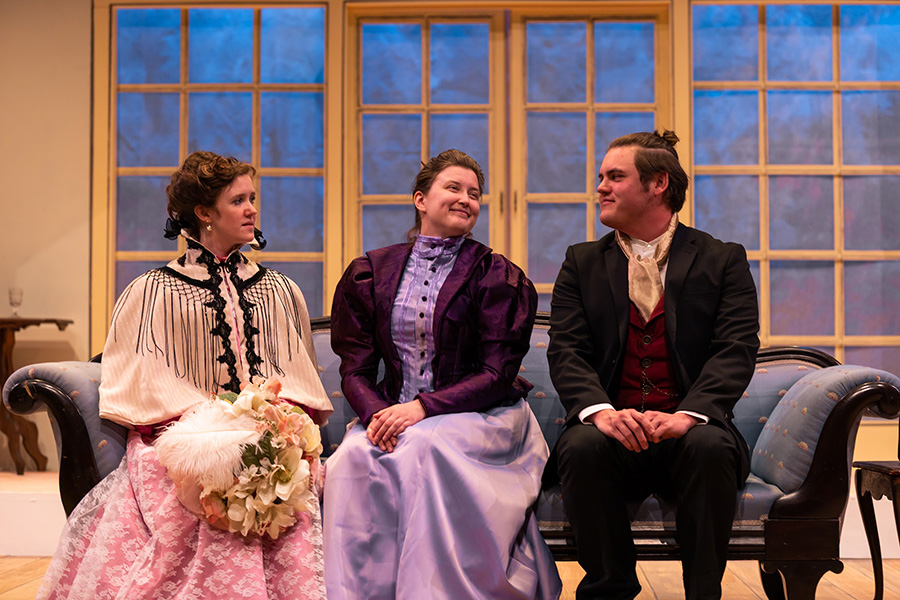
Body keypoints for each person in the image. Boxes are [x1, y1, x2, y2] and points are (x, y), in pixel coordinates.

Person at [39, 151, 333, 599]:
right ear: (203, 213)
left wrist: (271, 428)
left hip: (270, 438)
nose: (252, 209)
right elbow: (142, 393)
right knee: (193, 481)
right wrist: (213, 431)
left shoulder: (279, 290)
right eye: (238, 201)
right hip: (177, 442)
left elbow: (298, 384)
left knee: (288, 479)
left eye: (252, 198)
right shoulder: (151, 291)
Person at [324, 149, 562, 600]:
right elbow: (355, 369)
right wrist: (379, 415)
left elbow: (496, 373)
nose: (466, 199)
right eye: (453, 188)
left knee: (425, 447)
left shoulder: (496, 275)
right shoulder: (370, 272)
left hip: (485, 416)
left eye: (475, 194)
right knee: (349, 461)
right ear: (420, 198)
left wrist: (421, 408)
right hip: (394, 416)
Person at [547, 131, 759, 600]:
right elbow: (566, 349)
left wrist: (688, 415)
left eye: (614, 176)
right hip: (612, 431)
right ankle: (610, 588)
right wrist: (601, 412)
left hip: (689, 430)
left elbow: (736, 347)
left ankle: (703, 593)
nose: (600, 186)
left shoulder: (723, 260)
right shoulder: (581, 263)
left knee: (708, 446)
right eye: (601, 177)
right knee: (581, 446)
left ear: (658, 183)